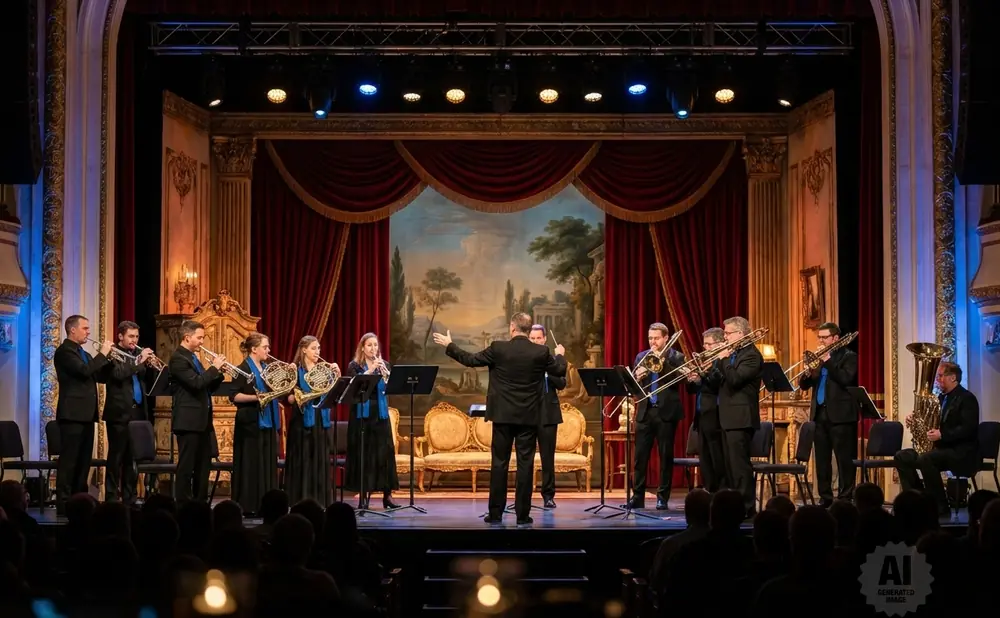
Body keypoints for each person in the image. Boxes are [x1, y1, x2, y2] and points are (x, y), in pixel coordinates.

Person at [433, 312, 566, 525]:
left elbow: (470, 360)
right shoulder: (541, 352)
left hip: (503, 417)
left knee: (499, 464)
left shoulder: (498, 348)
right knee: (525, 465)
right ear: (528, 329)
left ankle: (495, 513)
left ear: (512, 328)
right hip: (529, 418)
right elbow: (559, 369)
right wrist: (560, 355)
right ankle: (523, 515)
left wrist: (450, 345)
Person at [894, 362, 980, 517]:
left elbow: (968, 428)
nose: (937, 380)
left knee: (927, 459)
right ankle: (918, 502)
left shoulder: (967, 398)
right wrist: (915, 420)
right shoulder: (940, 398)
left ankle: (940, 506)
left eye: (940, 376)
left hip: (961, 452)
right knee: (902, 456)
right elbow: (928, 421)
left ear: (953, 377)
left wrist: (943, 435)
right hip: (941, 449)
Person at [53, 315, 112, 514]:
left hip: (87, 415)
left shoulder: (84, 353)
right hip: (72, 414)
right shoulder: (64, 352)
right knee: (69, 461)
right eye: (85, 328)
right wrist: (102, 354)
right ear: (72, 330)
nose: (88, 332)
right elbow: (84, 371)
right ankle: (64, 503)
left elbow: (99, 376)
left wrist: (109, 360)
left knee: (83, 461)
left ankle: (80, 501)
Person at [798, 322, 858, 506]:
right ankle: (825, 497)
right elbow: (804, 385)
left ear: (835, 338)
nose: (821, 341)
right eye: (820, 337)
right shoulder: (819, 358)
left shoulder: (848, 356)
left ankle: (845, 498)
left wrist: (828, 361)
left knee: (844, 459)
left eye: (824, 337)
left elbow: (846, 378)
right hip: (819, 414)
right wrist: (808, 372)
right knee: (822, 460)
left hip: (841, 416)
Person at [628, 322, 685, 510]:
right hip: (645, 412)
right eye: (650, 338)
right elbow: (634, 387)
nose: (653, 342)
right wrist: (638, 377)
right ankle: (637, 497)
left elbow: (680, 381)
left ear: (666, 338)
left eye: (656, 338)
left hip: (666, 413)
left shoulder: (676, 357)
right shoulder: (641, 357)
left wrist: (662, 361)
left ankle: (662, 497)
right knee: (640, 458)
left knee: (665, 457)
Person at [169, 320, 225, 503]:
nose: (202, 341)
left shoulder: (193, 358)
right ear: (187, 337)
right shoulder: (178, 358)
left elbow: (206, 387)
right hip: (188, 421)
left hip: (202, 421)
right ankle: (184, 504)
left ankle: (200, 504)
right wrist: (213, 368)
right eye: (199, 338)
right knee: (186, 466)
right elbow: (196, 383)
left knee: (203, 466)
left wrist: (218, 374)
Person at [102, 320, 155, 505]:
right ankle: (111, 497)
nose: (135, 340)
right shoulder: (113, 354)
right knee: (116, 457)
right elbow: (118, 374)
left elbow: (142, 380)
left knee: (132, 457)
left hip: (137, 412)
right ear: (120, 336)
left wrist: (148, 365)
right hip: (119, 413)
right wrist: (139, 361)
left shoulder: (136, 355)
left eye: (137, 336)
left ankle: (129, 497)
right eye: (131, 336)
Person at [714, 316, 763, 518]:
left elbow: (735, 380)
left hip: (741, 418)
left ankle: (747, 507)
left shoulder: (752, 355)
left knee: (740, 466)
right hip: (727, 416)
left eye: (728, 333)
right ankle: (734, 506)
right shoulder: (734, 353)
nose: (725, 337)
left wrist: (723, 359)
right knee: (730, 467)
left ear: (741, 334)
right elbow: (722, 380)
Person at [229, 332, 282, 515]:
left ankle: (267, 504)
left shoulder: (267, 369)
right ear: (254, 349)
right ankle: (250, 505)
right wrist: (256, 398)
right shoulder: (242, 368)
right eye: (265, 347)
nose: (268, 350)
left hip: (267, 421)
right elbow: (234, 396)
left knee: (266, 464)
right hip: (250, 424)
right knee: (251, 464)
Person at [345, 333, 400, 510]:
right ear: (362, 348)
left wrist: (386, 374)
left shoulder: (385, 365)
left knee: (384, 454)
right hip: (362, 415)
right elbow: (355, 387)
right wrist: (370, 372)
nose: (373, 349)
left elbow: (390, 388)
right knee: (365, 454)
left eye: (375, 345)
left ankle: (387, 495)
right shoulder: (354, 366)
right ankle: (363, 496)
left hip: (380, 414)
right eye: (369, 345)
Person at [287, 336, 339, 506]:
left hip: (320, 419)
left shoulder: (323, 370)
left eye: (319, 348)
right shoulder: (295, 370)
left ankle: (320, 501)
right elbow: (288, 398)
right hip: (301, 420)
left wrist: (336, 376)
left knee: (319, 459)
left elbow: (333, 394)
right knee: (303, 460)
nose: (318, 352)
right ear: (304, 350)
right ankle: (301, 500)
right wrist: (298, 397)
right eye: (313, 348)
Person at [685, 327, 728, 492]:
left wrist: (702, 375)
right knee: (705, 458)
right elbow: (693, 389)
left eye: (709, 344)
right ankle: (709, 490)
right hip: (701, 414)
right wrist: (693, 379)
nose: (705, 348)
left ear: (719, 343)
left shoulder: (721, 361)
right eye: (705, 344)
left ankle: (720, 492)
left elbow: (717, 385)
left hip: (715, 414)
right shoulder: (706, 362)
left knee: (717, 457)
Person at [529, 324, 566, 509]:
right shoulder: (524, 360)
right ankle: (524, 496)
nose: (536, 341)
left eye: (538, 338)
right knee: (525, 457)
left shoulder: (552, 361)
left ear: (544, 339)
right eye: (532, 338)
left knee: (547, 458)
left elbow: (561, 383)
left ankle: (548, 496)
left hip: (548, 414)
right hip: (527, 414)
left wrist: (547, 373)